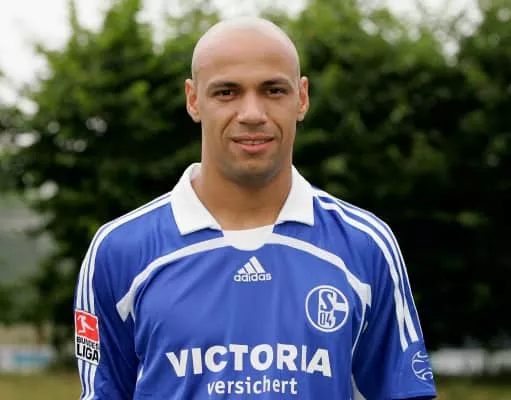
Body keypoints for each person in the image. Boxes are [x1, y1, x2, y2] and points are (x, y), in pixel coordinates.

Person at [74, 16, 437, 399]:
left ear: (302, 98)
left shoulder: (365, 244)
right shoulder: (119, 250)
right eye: (226, 92)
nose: (251, 113)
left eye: (273, 90)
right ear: (193, 100)